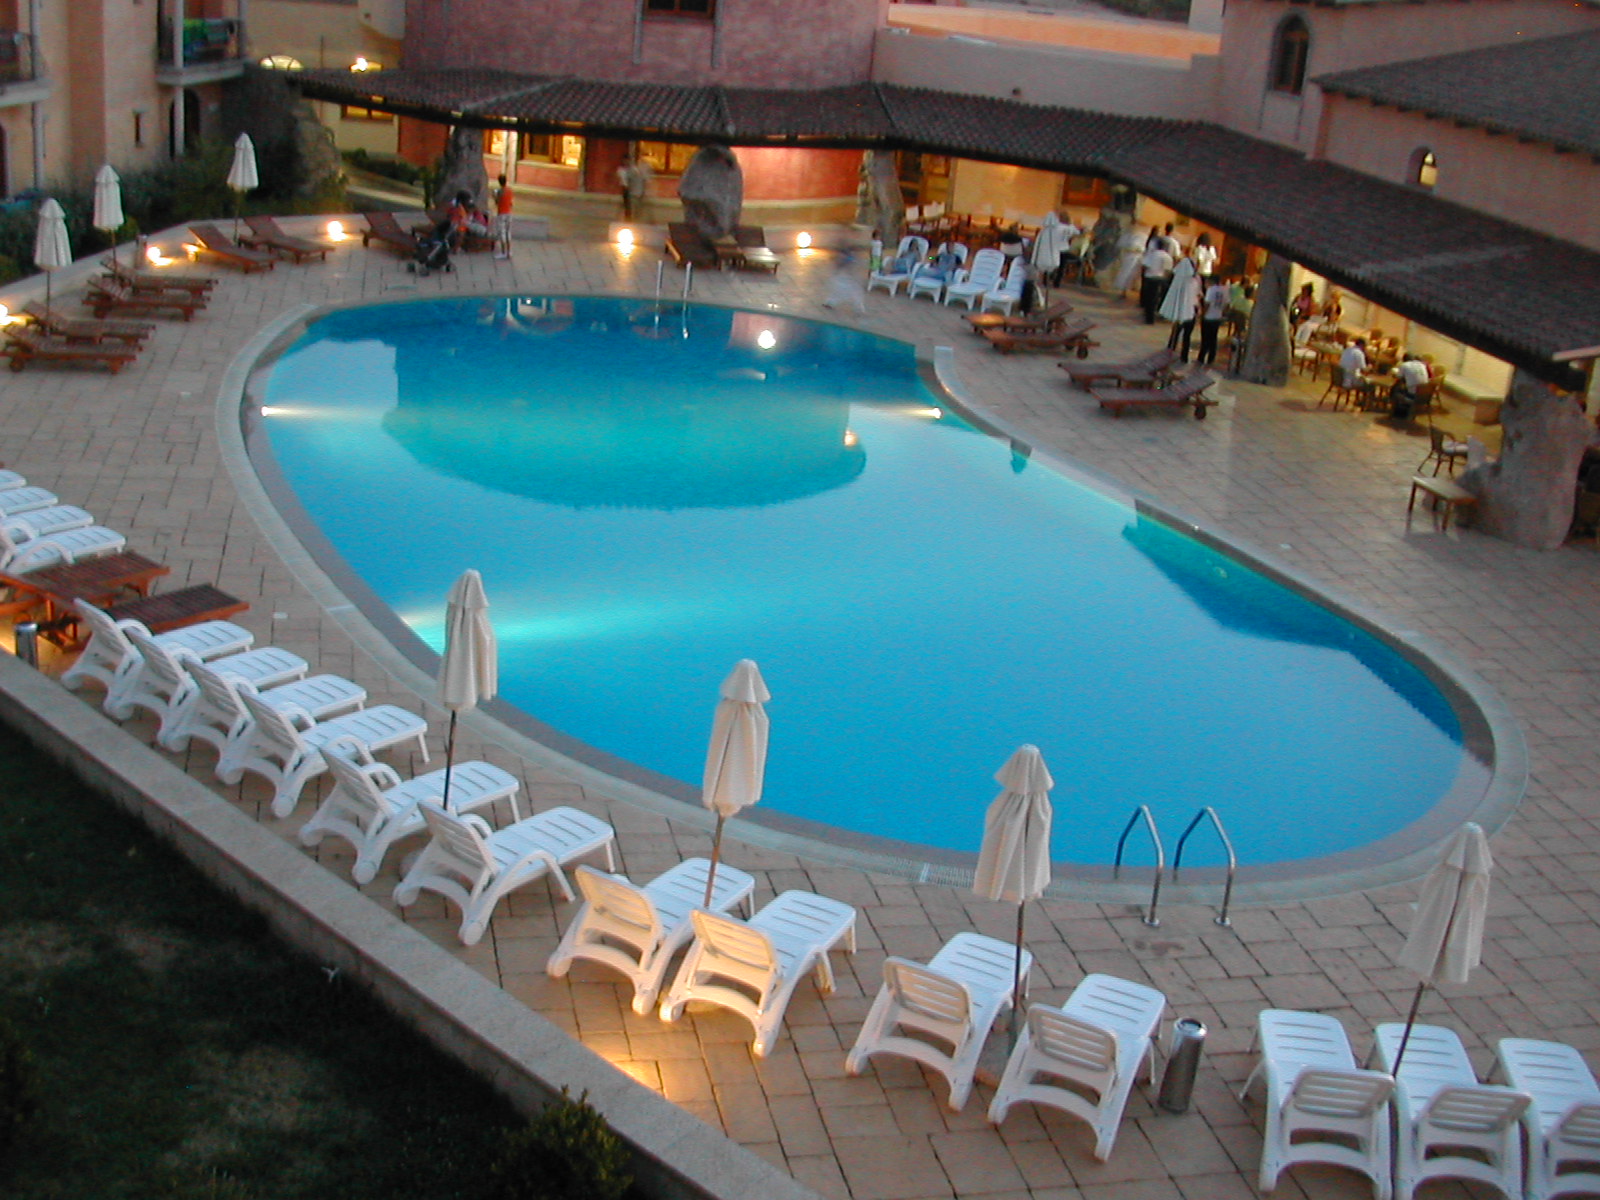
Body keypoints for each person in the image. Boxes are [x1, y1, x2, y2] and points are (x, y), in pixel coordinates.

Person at [1158, 256, 1200, 359]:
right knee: (1186, 333)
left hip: (1185, 308)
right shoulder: (1195, 279)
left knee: (1179, 331)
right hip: (1191, 308)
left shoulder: (1178, 279)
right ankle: (1183, 355)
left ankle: (1172, 348)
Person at [1138, 234, 1174, 325]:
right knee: (1158, 297)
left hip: (1150, 277)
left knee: (1149, 297)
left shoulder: (1151, 255)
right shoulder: (1167, 256)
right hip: (1160, 278)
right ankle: (1157, 313)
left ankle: (1149, 317)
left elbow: (1145, 265)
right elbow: (1168, 270)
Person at [1197, 274, 1231, 367]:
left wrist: (1202, 315)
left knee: (1205, 338)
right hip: (1217, 317)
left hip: (1208, 317)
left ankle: (1201, 358)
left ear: (1211, 281)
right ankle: (1211, 358)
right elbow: (1227, 305)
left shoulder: (1211, 290)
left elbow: (1207, 304)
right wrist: (1223, 313)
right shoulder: (1225, 290)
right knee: (1213, 338)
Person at [492, 173, 514, 259]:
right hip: (509, 213)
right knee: (508, 232)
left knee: (502, 233)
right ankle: (509, 252)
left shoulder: (500, 191)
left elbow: (497, 202)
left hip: (502, 213)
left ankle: (503, 252)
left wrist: (494, 196)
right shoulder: (510, 190)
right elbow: (511, 203)